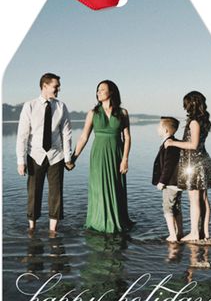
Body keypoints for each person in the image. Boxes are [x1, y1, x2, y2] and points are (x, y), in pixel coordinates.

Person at [69, 80, 131, 233]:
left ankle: (117, 220)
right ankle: (98, 221)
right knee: (99, 187)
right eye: (97, 90)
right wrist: (73, 158)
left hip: (116, 154)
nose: (99, 92)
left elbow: (127, 137)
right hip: (99, 155)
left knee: (116, 188)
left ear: (111, 92)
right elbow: (84, 137)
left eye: (102, 89)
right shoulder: (93, 113)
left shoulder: (123, 113)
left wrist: (125, 159)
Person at [16, 73, 72, 234]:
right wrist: (21, 161)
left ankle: (53, 230)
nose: (58, 89)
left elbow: (67, 134)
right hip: (35, 155)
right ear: (45, 86)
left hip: (56, 156)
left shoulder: (61, 107)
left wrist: (67, 158)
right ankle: (32, 227)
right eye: (56, 86)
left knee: (56, 193)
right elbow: (22, 135)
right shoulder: (30, 106)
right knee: (34, 192)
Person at [165, 91, 211, 241]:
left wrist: (172, 142)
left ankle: (194, 233)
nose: (184, 107)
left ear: (192, 104)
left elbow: (193, 145)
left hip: (193, 164)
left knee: (194, 199)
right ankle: (205, 233)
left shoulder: (194, 122)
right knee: (204, 199)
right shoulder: (204, 121)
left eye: (186, 103)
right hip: (203, 161)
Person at [152, 117, 183, 242]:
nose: (157, 128)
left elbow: (168, 165)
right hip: (177, 183)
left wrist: (162, 181)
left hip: (170, 183)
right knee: (176, 207)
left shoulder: (170, 144)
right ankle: (179, 232)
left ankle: (173, 235)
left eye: (159, 126)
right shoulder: (173, 142)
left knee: (167, 207)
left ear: (165, 130)